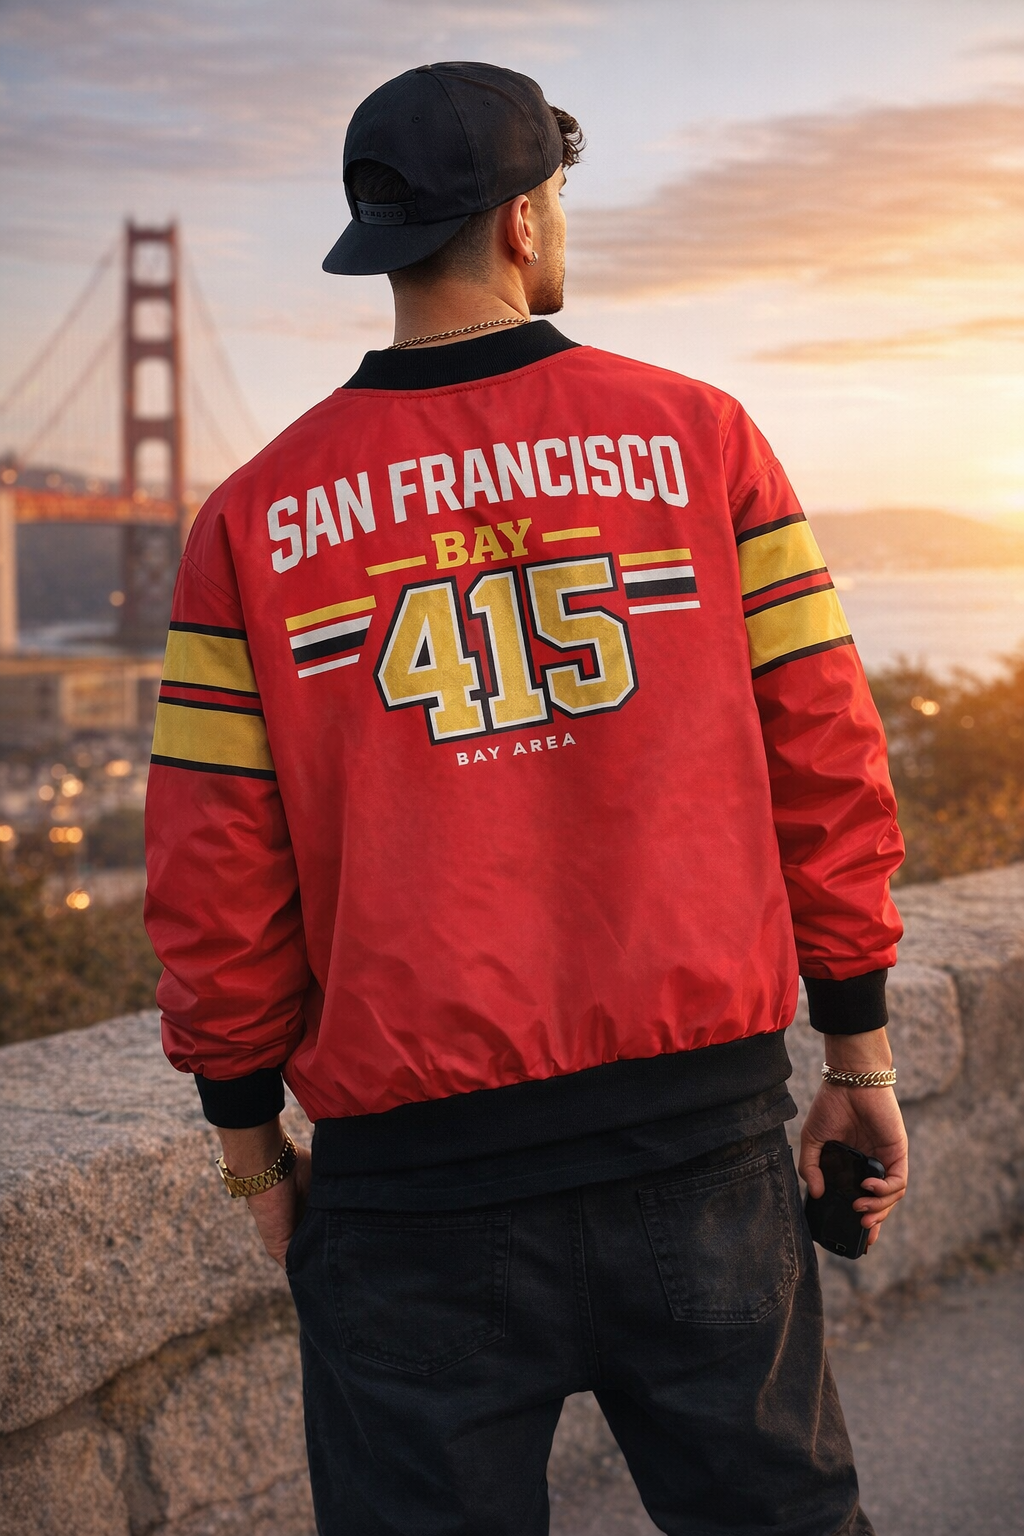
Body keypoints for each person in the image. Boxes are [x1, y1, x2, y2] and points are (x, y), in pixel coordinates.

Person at [145, 60, 908, 1536]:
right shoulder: (705, 441)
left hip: (409, 1193)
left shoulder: (248, 520)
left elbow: (212, 878)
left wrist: (253, 1157)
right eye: (554, 192)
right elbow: (826, 760)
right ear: (517, 220)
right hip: (699, 1148)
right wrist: (859, 1057)